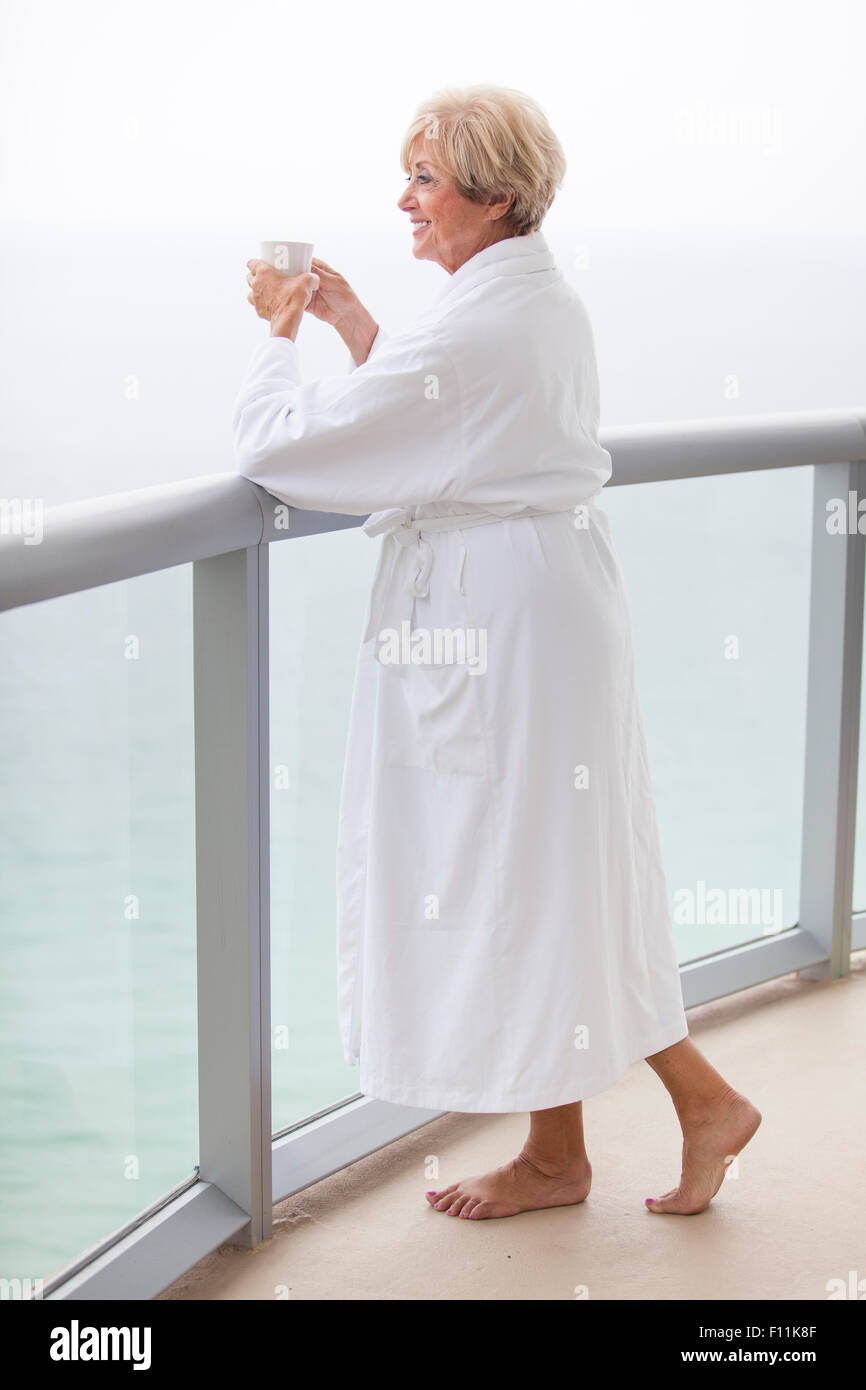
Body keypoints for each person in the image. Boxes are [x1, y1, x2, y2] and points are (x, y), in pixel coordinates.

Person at [233, 85, 761, 1221]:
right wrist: (358, 328)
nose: (403, 198)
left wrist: (277, 329)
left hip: (498, 626)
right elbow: (451, 425)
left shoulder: (480, 323)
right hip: (543, 604)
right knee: (555, 872)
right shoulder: (528, 299)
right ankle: (597, 1140)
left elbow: (293, 451)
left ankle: (623, 1131)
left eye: (424, 177)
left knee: (521, 877)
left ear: (495, 194)